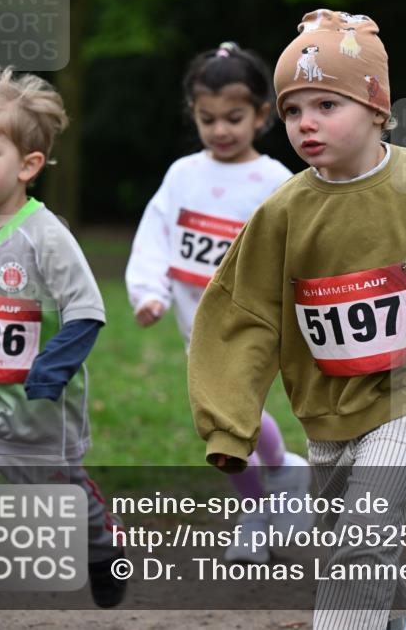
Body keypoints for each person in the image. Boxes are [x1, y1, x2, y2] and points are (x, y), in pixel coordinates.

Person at [187, 9, 406, 630]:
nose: (306, 122)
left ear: (377, 108)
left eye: (326, 104)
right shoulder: (283, 212)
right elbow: (242, 315)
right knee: (350, 536)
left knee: (363, 529)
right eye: (293, 110)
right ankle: (402, 617)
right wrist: (229, 425)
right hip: (328, 406)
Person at [0, 65, 126, 630]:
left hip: (38, 415)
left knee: (60, 503)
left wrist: (49, 372)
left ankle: (102, 543)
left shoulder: (46, 236)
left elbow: (87, 311)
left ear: (29, 165)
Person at [124, 42, 310, 564]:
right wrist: (150, 292)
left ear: (261, 115)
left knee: (225, 420)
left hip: (255, 323)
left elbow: (297, 246)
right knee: (222, 420)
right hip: (197, 327)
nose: (220, 130)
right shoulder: (183, 175)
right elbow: (156, 234)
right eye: (208, 119)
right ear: (194, 113)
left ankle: (258, 507)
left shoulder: (275, 181)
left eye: (233, 118)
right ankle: (279, 473)